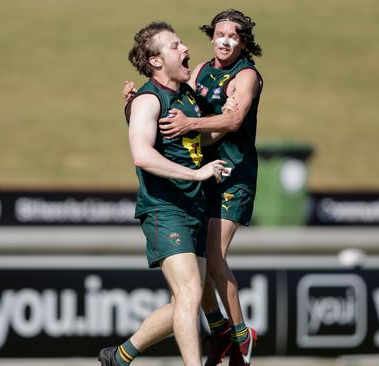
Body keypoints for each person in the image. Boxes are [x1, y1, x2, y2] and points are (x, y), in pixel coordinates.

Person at [123, 9, 263, 366]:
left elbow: (227, 121)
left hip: (221, 183)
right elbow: (146, 140)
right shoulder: (176, 84)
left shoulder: (230, 80)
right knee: (191, 289)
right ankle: (222, 335)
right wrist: (133, 107)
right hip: (184, 192)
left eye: (234, 35)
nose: (225, 40)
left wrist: (196, 123)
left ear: (244, 41)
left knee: (200, 278)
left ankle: (238, 335)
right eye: (219, 33)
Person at [98, 21, 229, 366]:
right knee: (188, 293)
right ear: (156, 61)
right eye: (175, 46)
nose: (185, 49)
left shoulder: (186, 96)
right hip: (164, 209)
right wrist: (196, 173)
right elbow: (142, 154)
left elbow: (193, 139)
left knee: (186, 300)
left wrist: (232, 120)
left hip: (193, 207)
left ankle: (120, 356)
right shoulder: (148, 98)